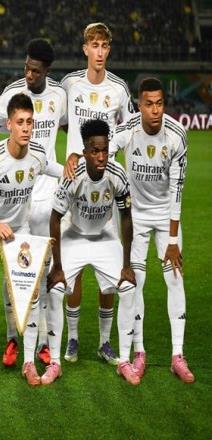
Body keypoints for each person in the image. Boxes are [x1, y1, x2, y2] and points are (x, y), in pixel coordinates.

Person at [0, 38, 67, 366]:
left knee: (41, 273)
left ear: (47, 70)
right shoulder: (11, 94)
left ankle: (42, 340)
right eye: (27, 68)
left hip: (45, 195)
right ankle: (12, 338)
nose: (29, 75)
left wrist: (76, 160)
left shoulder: (58, 95)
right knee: (12, 274)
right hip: (13, 197)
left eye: (36, 71)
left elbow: (69, 129)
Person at [0, 93, 63, 388]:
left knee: (32, 291)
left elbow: (59, 170)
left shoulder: (37, 155)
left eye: (30, 122)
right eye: (20, 122)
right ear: (8, 124)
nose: (26, 128)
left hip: (20, 229)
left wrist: (78, 164)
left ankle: (28, 362)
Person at [109, 77, 193, 383]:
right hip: (136, 217)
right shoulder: (127, 130)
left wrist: (172, 239)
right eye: (149, 104)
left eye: (159, 104)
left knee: (175, 278)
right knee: (135, 282)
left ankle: (177, 355)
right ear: (139, 105)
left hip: (165, 214)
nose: (155, 110)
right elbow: (105, 154)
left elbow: (177, 191)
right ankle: (139, 351)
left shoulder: (177, 135)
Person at [60, 22, 135, 364]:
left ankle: (105, 342)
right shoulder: (70, 84)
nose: (100, 52)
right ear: (85, 49)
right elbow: (62, 120)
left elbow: (128, 127)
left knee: (109, 275)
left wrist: (112, 155)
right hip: (75, 184)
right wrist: (76, 152)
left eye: (105, 46)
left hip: (106, 187)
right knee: (71, 270)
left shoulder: (118, 88)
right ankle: (73, 339)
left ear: (109, 49)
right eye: (95, 45)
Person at [46, 119, 138, 385]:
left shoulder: (117, 173)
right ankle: (55, 361)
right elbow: (55, 218)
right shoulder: (73, 176)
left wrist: (127, 265)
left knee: (128, 287)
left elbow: (126, 217)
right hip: (74, 234)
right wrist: (57, 267)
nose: (101, 156)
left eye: (104, 150)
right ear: (84, 152)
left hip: (104, 236)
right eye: (95, 151)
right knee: (55, 289)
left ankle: (121, 358)